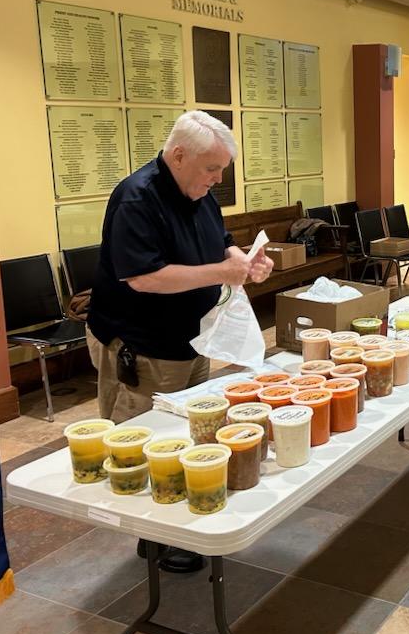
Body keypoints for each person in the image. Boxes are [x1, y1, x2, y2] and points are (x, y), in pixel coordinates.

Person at [88, 111, 274, 422]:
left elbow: (222, 241)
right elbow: (144, 277)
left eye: (222, 170)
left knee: (188, 425)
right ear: (178, 156)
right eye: (212, 168)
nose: (217, 178)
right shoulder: (137, 199)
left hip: (194, 340)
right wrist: (221, 272)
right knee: (144, 434)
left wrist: (242, 260)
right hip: (146, 349)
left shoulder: (199, 191)